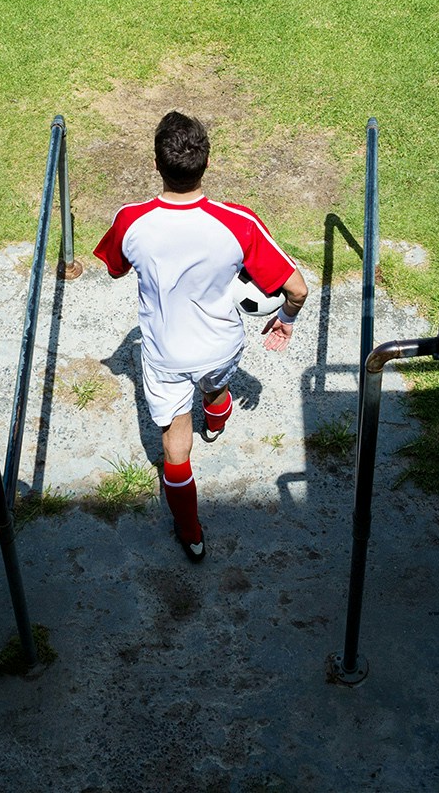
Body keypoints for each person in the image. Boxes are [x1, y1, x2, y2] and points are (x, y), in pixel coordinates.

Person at [94, 110, 308, 563]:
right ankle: (217, 421)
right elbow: (297, 289)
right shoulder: (240, 222)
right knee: (215, 386)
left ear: (156, 165)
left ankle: (191, 533)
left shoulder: (131, 220)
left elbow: (114, 268)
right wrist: (286, 318)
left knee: (175, 444)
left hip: (165, 355)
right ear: (206, 164)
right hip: (220, 346)